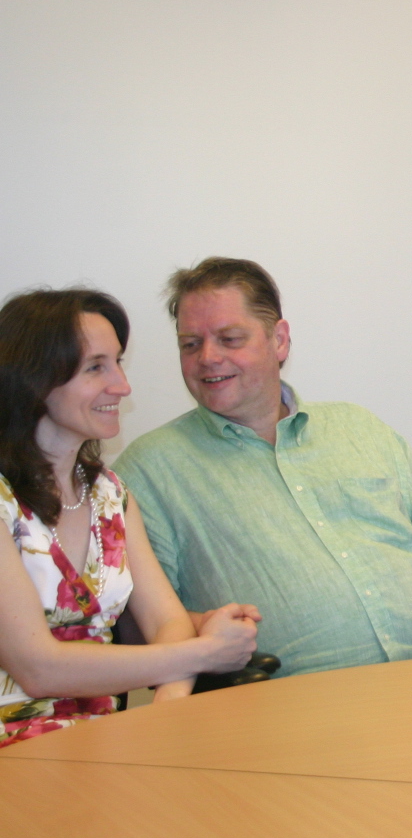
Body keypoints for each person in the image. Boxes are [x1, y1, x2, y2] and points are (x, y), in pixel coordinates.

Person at [115, 258, 412, 680]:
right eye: (190, 344)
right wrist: (207, 631)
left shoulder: (360, 429)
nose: (208, 357)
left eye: (229, 339)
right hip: (293, 708)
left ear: (279, 340)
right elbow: (135, 626)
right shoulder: (149, 471)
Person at [0, 289, 260, 747]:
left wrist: (168, 708)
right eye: (95, 367)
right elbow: (38, 667)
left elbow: (167, 624)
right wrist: (205, 653)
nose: (121, 385)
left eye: (117, 363)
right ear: (34, 380)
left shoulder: (111, 495)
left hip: (103, 747)